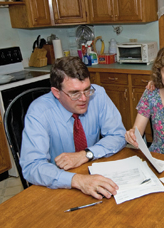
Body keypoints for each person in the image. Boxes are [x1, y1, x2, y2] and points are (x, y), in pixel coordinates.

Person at [20, 56, 126, 200]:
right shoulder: (39, 112)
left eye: (87, 90)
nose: (84, 98)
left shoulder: (98, 95)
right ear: (56, 92)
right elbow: (32, 166)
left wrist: (86, 154)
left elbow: (118, 135)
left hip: (91, 172)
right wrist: (78, 180)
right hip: (57, 183)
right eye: (75, 93)